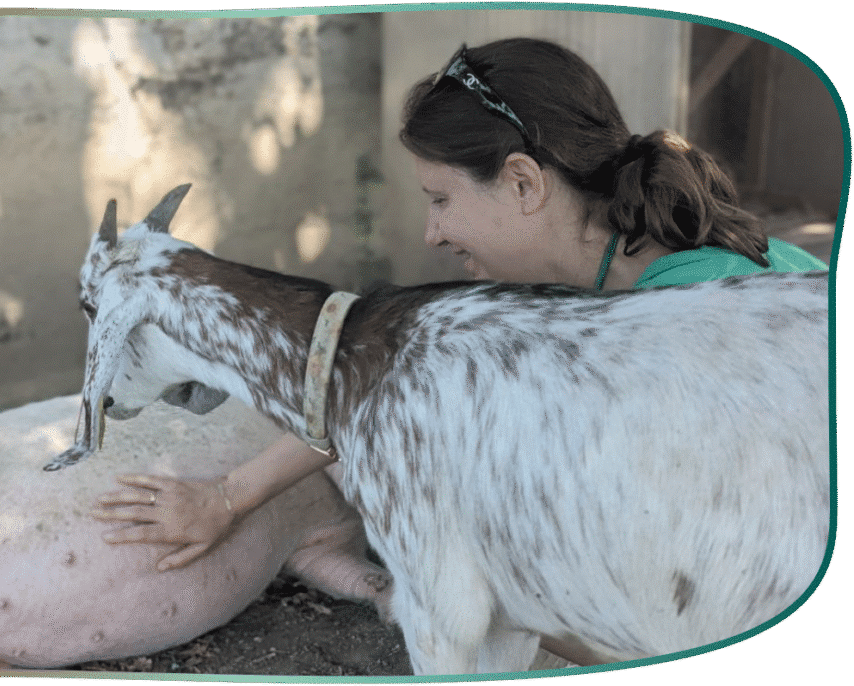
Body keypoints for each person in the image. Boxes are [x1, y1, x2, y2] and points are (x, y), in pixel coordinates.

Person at [89, 37, 827, 572]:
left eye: (441, 199)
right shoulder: (598, 276)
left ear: (523, 184)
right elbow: (393, 367)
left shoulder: (689, 326)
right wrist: (227, 497)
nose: (431, 232)